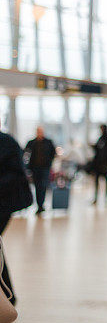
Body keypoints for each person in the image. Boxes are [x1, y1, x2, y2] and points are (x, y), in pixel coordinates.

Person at [0, 130, 33, 304]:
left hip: (5, 202)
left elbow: (15, 174)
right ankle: (7, 295)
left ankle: (7, 296)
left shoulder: (6, 142)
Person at [24, 127, 56, 215]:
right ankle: (39, 205)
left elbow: (53, 153)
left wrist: (49, 162)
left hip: (45, 168)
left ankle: (41, 205)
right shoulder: (31, 143)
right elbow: (25, 153)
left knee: (43, 185)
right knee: (37, 186)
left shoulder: (48, 142)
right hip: (34, 168)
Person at [90, 124, 107, 205]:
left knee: (106, 181)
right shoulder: (100, 138)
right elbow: (98, 149)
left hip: (105, 164)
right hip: (98, 164)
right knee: (97, 182)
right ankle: (96, 197)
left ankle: (106, 198)